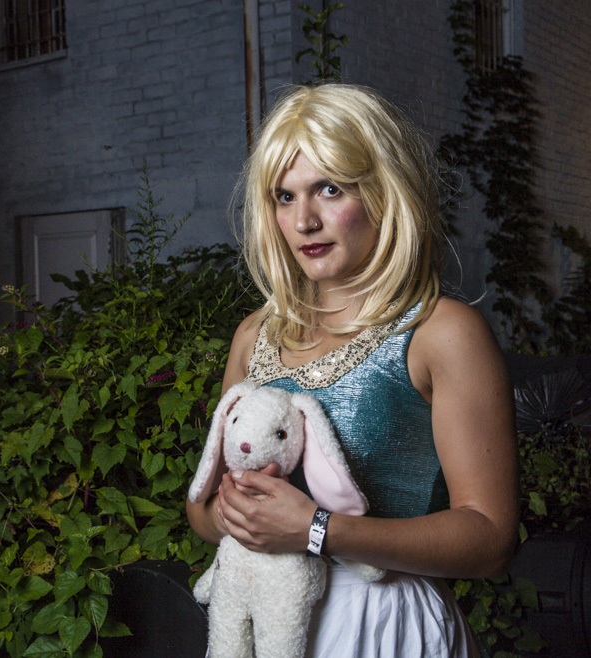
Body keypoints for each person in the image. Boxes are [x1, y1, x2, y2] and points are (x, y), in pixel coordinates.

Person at [186, 83, 519, 657]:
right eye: (284, 196)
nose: (304, 220)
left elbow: (491, 540)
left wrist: (316, 529)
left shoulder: (441, 331)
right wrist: (233, 514)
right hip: (262, 618)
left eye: (329, 189)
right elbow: (201, 509)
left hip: (381, 623)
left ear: (384, 192)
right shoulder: (253, 336)